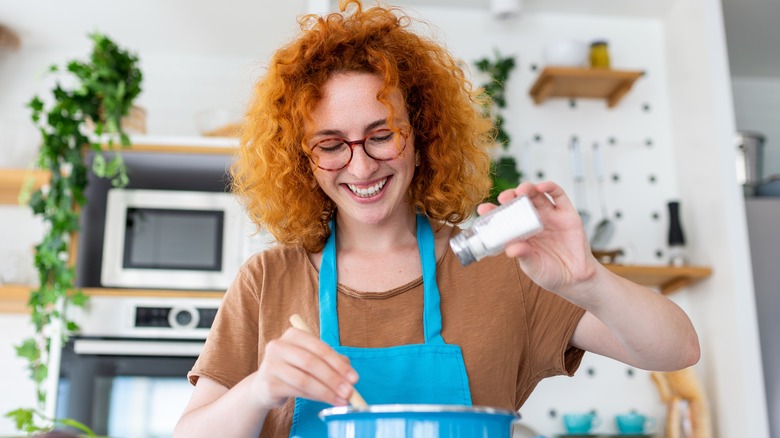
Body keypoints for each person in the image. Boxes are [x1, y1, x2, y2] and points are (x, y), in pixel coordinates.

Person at [174, 1, 700, 437]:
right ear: (302, 160)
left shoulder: (502, 267)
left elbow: (677, 349)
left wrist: (588, 280)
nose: (360, 165)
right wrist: (262, 386)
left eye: (381, 135)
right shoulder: (269, 281)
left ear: (422, 135)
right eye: (331, 145)